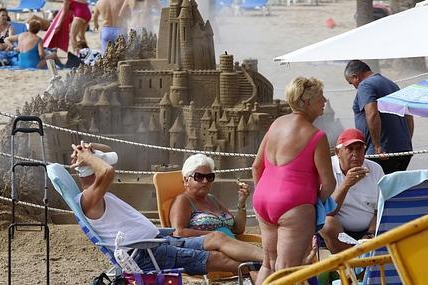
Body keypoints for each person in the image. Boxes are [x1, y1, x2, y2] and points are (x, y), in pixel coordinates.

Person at [70, 142, 263, 275]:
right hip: (144, 254)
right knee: (218, 259)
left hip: (156, 242)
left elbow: (107, 152)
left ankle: (272, 259)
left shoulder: (99, 197)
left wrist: (87, 149)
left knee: (218, 237)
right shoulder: (88, 200)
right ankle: (268, 270)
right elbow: (107, 171)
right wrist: (88, 158)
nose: (205, 181)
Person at [252, 76, 336, 284]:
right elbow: (329, 183)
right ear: (306, 102)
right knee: (288, 270)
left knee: (269, 264)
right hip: (294, 204)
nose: (324, 100)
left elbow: (256, 167)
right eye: (320, 97)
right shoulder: (316, 135)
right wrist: (313, 204)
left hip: (262, 199)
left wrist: (265, 193)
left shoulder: (276, 124)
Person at [319, 128, 384, 254]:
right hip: (338, 230)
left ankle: (357, 264)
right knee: (326, 223)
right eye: (350, 149)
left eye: (359, 149)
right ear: (338, 152)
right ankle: (353, 263)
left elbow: (381, 209)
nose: (355, 154)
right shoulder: (327, 168)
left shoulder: (375, 169)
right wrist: (346, 185)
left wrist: (370, 234)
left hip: (369, 231)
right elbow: (326, 211)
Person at [344, 60, 414, 174]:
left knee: (375, 190)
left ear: (355, 77)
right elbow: (408, 115)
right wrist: (407, 141)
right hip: (403, 150)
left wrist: (377, 145)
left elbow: (372, 113)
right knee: (393, 190)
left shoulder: (365, 85)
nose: (355, 87)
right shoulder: (393, 85)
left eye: (351, 83)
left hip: (381, 153)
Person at [169, 153, 251, 239]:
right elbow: (178, 232)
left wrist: (241, 203)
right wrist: (216, 235)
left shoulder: (212, 199)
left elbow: (237, 229)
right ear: (186, 180)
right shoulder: (182, 200)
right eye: (199, 177)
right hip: (206, 250)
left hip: (229, 246)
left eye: (209, 177)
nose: (205, 181)